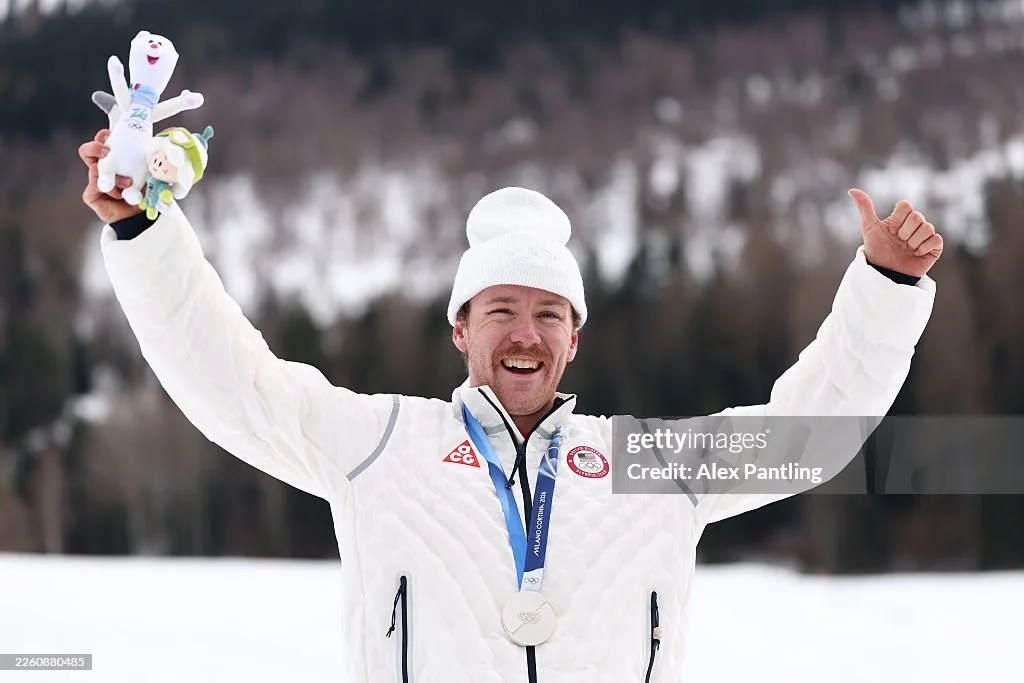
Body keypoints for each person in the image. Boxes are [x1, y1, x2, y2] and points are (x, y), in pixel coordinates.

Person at [79, 127, 940, 683]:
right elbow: (234, 385)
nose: (524, 335)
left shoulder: (648, 468)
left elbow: (809, 436)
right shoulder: (382, 444)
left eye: (548, 314)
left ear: (576, 339)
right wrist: (144, 236)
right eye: (501, 310)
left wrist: (887, 286)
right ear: (460, 328)